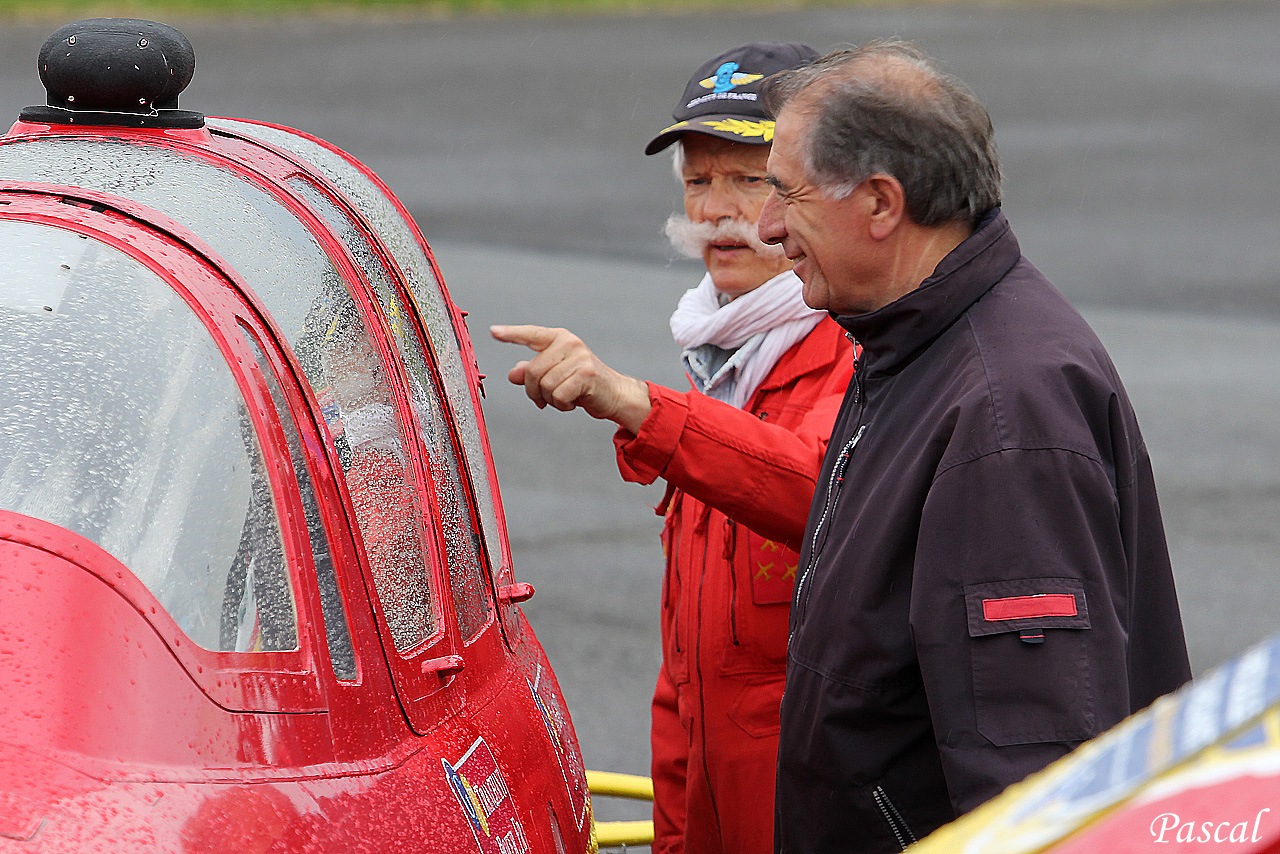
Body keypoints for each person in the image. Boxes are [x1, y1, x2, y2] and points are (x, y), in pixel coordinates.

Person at [754, 40, 1192, 853]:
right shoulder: (912, 342)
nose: (767, 225)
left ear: (881, 203)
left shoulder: (1005, 413)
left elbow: (1035, 778)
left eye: (786, 192)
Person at [492, 43, 854, 854]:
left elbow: (824, 498)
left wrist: (633, 402)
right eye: (699, 181)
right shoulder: (723, 352)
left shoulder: (860, 347)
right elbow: (689, 679)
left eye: (749, 178)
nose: (720, 211)